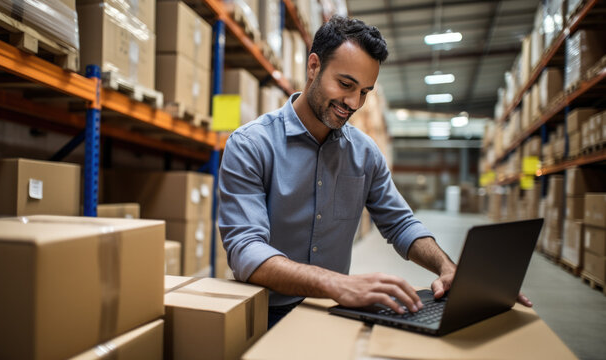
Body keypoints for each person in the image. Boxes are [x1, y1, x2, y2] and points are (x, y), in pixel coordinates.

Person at [218, 15, 532, 329]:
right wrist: (335, 283)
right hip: (265, 313)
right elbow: (245, 249)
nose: (353, 103)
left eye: (365, 92)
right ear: (313, 66)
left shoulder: (364, 153)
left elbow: (400, 223)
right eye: (345, 85)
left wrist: (448, 268)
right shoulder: (251, 145)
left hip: (332, 312)